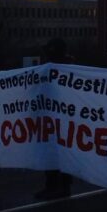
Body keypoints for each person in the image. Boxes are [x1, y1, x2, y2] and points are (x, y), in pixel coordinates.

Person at [34, 38, 74, 200]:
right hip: (50, 119)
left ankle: (62, 187)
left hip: (63, 120)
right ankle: (51, 186)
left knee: (61, 154)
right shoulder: (48, 68)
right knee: (50, 154)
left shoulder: (68, 69)